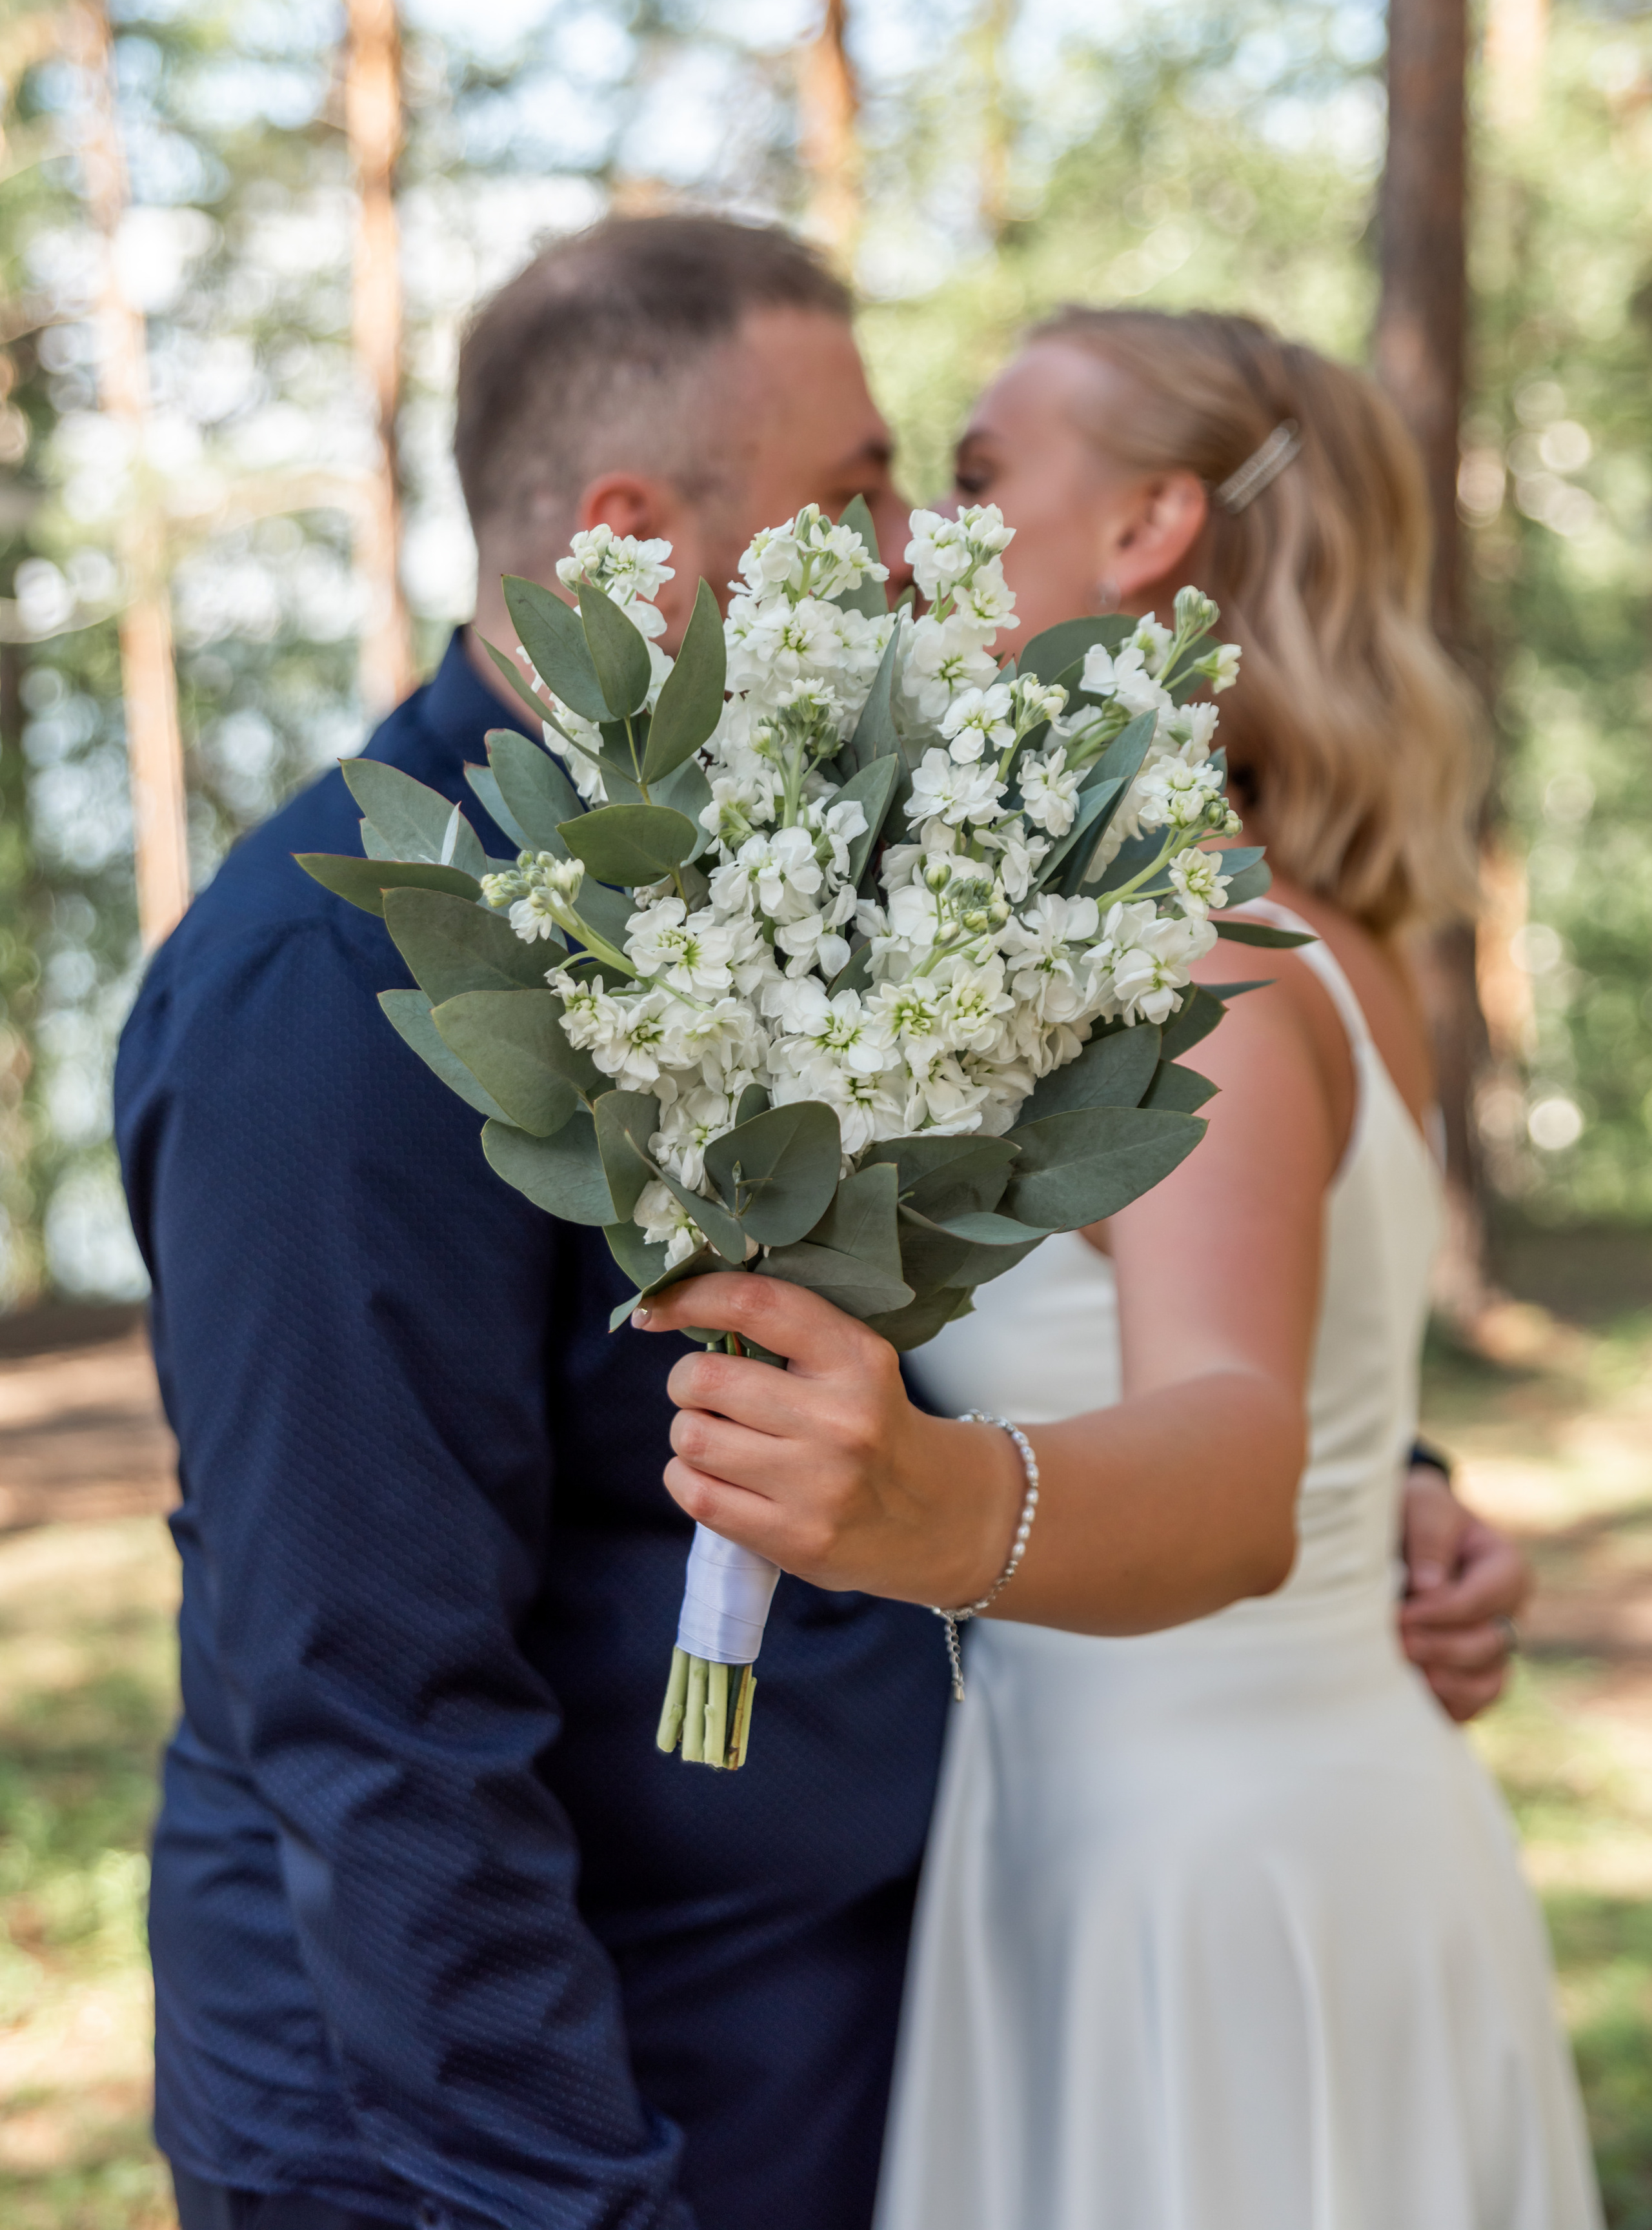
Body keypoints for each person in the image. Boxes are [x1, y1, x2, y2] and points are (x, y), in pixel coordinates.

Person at [116, 222, 1522, 2230]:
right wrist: (579, 2200)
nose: (903, 557)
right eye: (859, 496)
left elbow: (1040, 1289)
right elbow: (376, 1706)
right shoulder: (336, 987)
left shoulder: (819, 877)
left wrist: (1383, 1483)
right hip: (509, 2122)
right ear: (632, 537)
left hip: (849, 2031)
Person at [643, 310, 1599, 2228]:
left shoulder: (1192, 956)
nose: (925, 538)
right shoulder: (1294, 930)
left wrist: (913, 1501)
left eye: (981, 477)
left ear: (1155, 524)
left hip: (1203, 1892)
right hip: (1237, 1816)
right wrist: (1409, 1494)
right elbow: (1309, 1383)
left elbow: (1241, 1456)